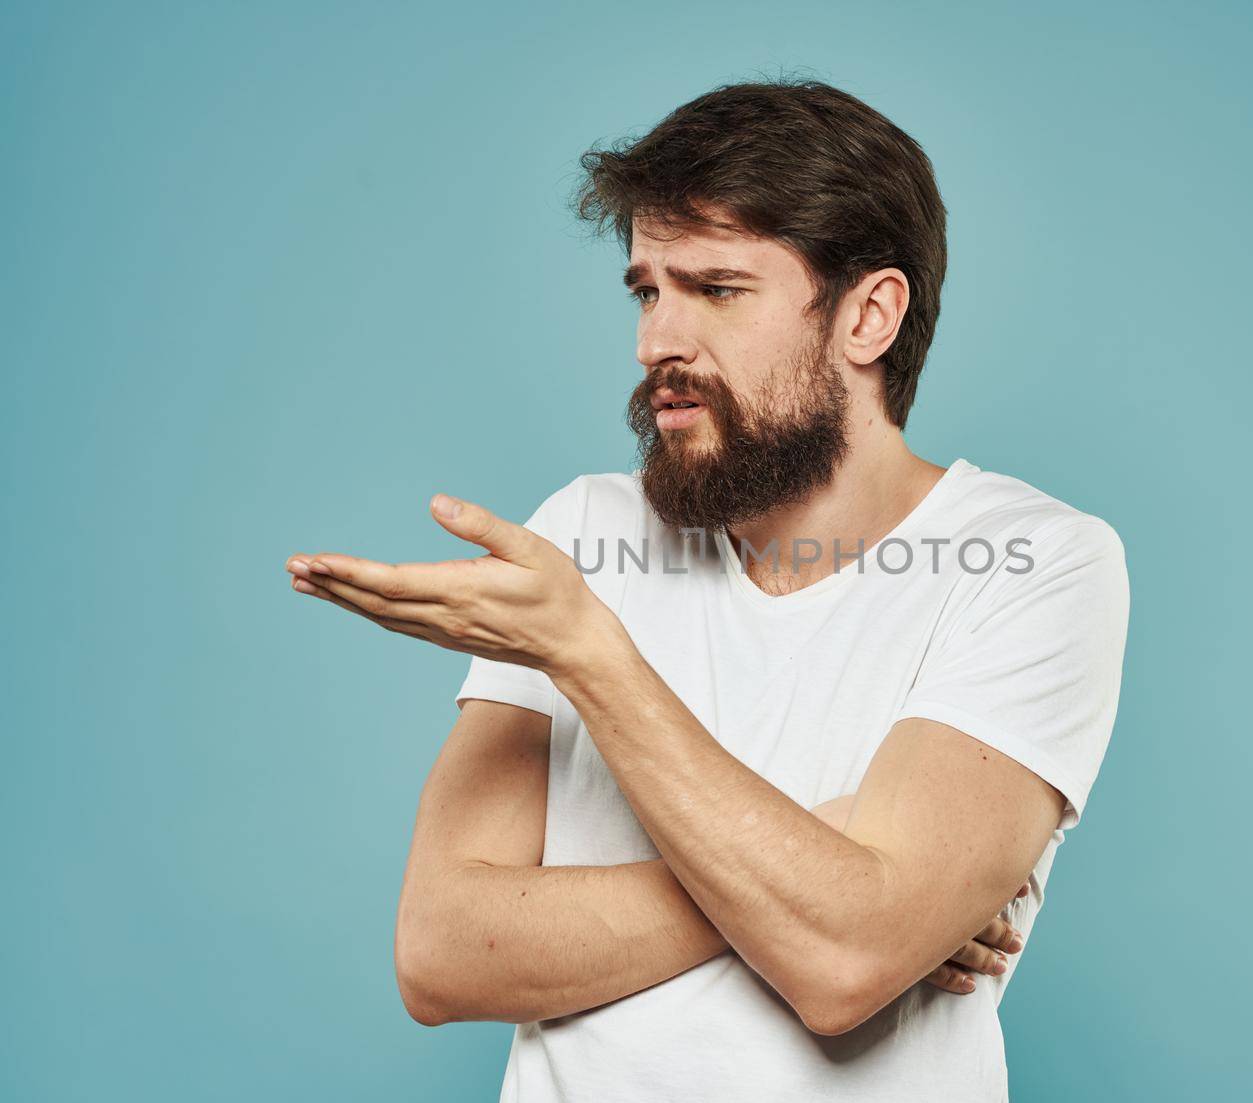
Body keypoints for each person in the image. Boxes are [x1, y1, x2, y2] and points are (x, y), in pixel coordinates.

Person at [285, 78, 1131, 1102]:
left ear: (869, 314)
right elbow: (441, 949)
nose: (655, 345)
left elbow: (842, 965)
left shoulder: (1034, 558)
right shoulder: (584, 536)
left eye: (717, 290)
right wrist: (830, 869)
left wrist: (590, 656)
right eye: (647, 290)